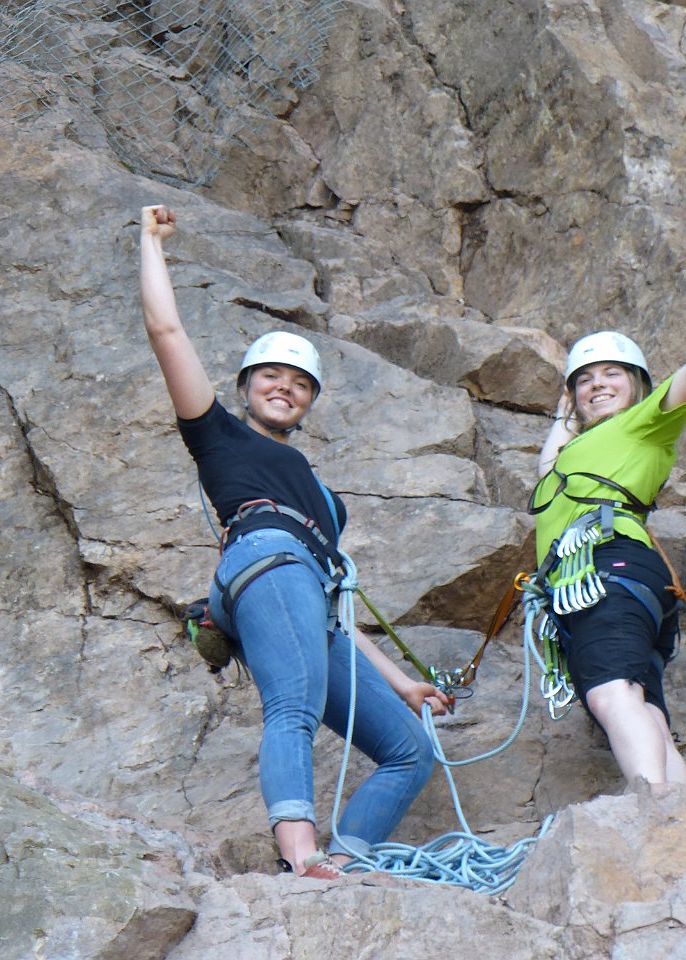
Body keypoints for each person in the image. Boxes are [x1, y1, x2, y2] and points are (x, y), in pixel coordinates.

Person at [140, 203, 452, 880]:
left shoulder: (321, 501)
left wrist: (402, 684)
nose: (286, 388)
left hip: (307, 588)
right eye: (271, 377)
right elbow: (166, 331)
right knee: (294, 705)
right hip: (264, 563)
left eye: (301, 383)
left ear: (310, 403)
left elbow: (335, 602)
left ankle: (341, 862)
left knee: (409, 750)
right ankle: (300, 849)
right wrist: (151, 243)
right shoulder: (217, 436)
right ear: (245, 386)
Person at [530, 243, 686, 786]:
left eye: (612, 374)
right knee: (649, 714)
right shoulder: (576, 454)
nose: (597, 385)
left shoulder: (646, 421)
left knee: (611, 692)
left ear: (637, 384)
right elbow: (546, 468)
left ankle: (651, 811)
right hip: (609, 578)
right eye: (586, 380)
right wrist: (569, 405)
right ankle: (681, 820)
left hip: (603, 570)